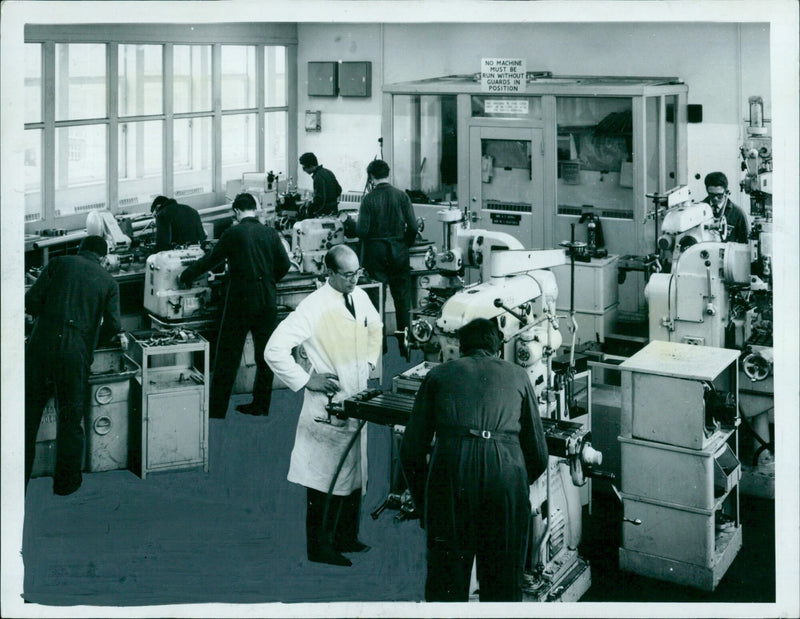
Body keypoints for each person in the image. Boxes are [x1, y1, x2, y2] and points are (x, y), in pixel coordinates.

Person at [400, 318, 549, 602]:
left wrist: (425, 505)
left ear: (460, 345)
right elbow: (539, 455)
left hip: (451, 475)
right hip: (505, 475)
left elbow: (410, 451)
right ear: (497, 346)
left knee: (446, 579)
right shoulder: (519, 375)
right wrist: (513, 482)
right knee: (503, 581)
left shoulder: (439, 375)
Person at [265, 245, 382, 567]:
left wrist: (370, 362)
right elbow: (274, 349)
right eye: (347, 274)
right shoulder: (313, 307)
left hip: (356, 397)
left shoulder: (358, 296)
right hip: (326, 407)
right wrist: (306, 380)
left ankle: (346, 537)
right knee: (322, 481)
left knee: (355, 472)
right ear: (329, 273)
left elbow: (376, 326)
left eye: (357, 272)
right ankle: (319, 548)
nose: (354, 279)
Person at [25, 235, 128, 495]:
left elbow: (31, 300)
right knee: (71, 419)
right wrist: (90, 340)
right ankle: (66, 484)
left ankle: (17, 482)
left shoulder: (59, 263)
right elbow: (114, 326)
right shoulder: (108, 281)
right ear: (104, 258)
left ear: (79, 249)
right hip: (75, 354)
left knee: (26, 417)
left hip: (40, 347)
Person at [179, 193, 291, 418]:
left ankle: (217, 410)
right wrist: (269, 281)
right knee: (265, 355)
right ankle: (260, 405)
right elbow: (285, 264)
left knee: (228, 356)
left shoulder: (233, 233)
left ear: (237, 211)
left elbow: (212, 259)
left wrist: (187, 275)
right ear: (255, 209)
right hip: (267, 301)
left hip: (241, 301)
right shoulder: (270, 233)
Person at [355, 159, 419, 355]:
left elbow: (362, 231)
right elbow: (414, 227)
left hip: (376, 255)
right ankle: (405, 345)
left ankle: (379, 347)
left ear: (371, 177)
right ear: (387, 174)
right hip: (398, 253)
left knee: (377, 302)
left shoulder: (368, 200)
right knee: (402, 301)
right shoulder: (401, 196)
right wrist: (403, 243)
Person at [703, 171, 749, 243]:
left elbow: (744, 242)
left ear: (726, 191)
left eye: (719, 195)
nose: (715, 198)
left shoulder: (738, 214)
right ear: (707, 190)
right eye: (712, 195)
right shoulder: (698, 210)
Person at [298, 152, 342, 218]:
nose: (304, 171)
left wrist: (309, 206)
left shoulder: (318, 177)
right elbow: (339, 190)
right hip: (333, 210)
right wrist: (332, 201)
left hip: (324, 213)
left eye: (304, 168)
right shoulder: (328, 172)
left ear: (310, 166)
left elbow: (319, 200)